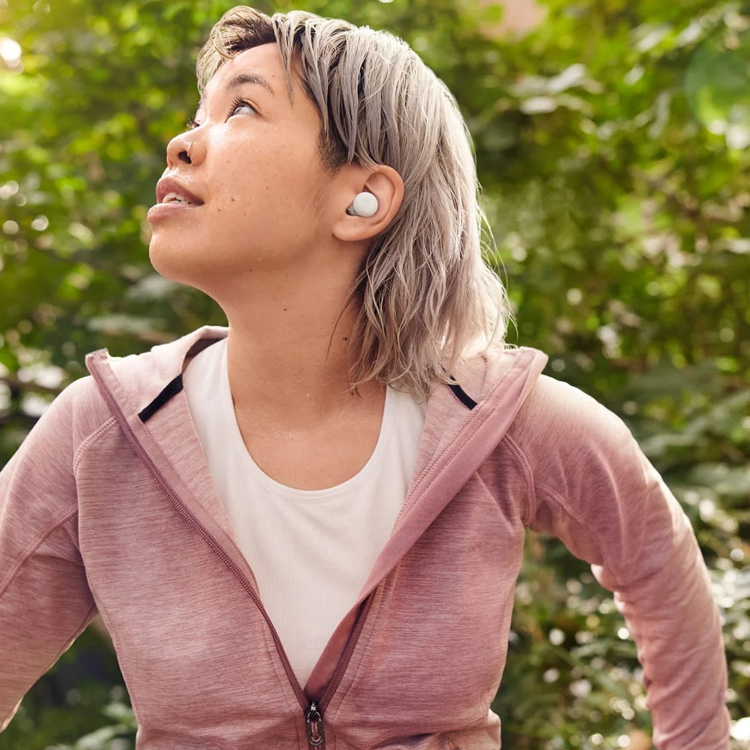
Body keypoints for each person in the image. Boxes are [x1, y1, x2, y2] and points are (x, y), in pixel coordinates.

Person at [0, 6, 731, 749]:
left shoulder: (501, 421)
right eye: (199, 113)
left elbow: (653, 554)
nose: (182, 143)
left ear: (364, 198)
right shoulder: (103, 433)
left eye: (242, 107)